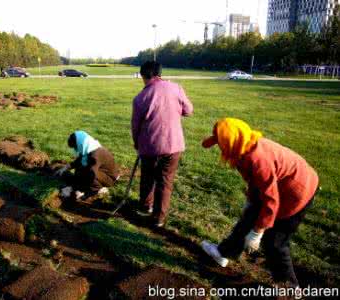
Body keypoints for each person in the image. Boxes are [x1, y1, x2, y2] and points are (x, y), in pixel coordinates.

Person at [200, 118, 319, 288]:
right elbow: (256, 182)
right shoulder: (245, 147)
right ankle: (223, 253)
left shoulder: (258, 160)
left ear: (233, 143)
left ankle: (290, 288)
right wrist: (250, 200)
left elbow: (271, 200)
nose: (219, 148)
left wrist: (257, 233)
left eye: (221, 143)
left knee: (274, 242)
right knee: (249, 216)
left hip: (298, 192)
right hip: (279, 186)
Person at [131, 61, 194, 228]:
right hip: (174, 145)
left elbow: (135, 126)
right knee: (165, 181)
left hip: (150, 146)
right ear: (159, 74)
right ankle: (159, 218)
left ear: (144, 76)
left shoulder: (140, 98)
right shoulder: (176, 87)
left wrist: (137, 143)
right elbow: (188, 110)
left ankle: (146, 208)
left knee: (148, 178)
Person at [55, 131, 119, 200]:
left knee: (87, 172)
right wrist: (65, 168)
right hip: (98, 173)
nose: (75, 150)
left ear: (80, 143)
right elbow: (79, 161)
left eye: (75, 147)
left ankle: (98, 190)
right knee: (81, 168)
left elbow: (91, 174)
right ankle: (79, 187)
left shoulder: (96, 154)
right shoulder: (87, 148)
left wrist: (84, 192)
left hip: (108, 178)